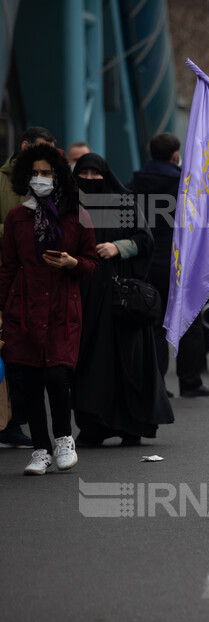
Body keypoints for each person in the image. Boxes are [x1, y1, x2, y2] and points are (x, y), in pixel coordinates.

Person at [0, 143, 97, 474]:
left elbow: (91, 263)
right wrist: (2, 309)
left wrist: (72, 262)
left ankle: (64, 438)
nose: (40, 178)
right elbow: (8, 266)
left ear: (58, 176)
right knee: (29, 381)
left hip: (60, 309)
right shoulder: (16, 217)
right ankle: (40, 449)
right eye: (35, 173)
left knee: (56, 375)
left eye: (47, 173)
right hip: (24, 309)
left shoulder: (76, 214)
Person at [72, 153, 174, 445]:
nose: (90, 180)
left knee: (129, 361)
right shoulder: (69, 205)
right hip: (85, 297)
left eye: (96, 174)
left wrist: (119, 247)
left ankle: (132, 425)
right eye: (84, 174)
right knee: (90, 361)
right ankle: (93, 425)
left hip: (121, 298)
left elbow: (145, 239)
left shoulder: (123, 201)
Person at [129, 132, 209, 399]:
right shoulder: (184, 183)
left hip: (146, 261)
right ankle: (190, 382)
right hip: (180, 260)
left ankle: (157, 385)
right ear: (175, 155)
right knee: (188, 322)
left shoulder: (135, 181)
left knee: (153, 323)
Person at [0, 126, 57, 448]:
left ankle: (17, 422)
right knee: (11, 358)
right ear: (24, 146)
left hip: (43, 285)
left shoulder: (53, 182)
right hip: (10, 280)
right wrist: (16, 226)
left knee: (32, 361)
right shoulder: (2, 181)